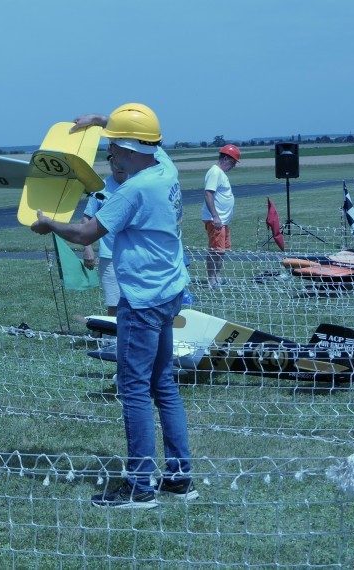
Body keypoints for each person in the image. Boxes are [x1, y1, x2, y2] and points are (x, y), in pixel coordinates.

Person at [31, 103, 196, 509]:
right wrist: (101, 120)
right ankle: (179, 478)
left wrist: (49, 223)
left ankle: (140, 487)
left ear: (129, 148)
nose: (111, 157)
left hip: (142, 301)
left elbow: (87, 230)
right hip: (170, 290)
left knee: (135, 391)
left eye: (113, 149)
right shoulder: (165, 166)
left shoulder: (135, 189)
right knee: (164, 385)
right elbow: (141, 134)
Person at [81, 155, 129, 316]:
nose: (119, 166)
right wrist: (88, 248)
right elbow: (87, 218)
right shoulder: (100, 189)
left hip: (136, 255)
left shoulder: (137, 186)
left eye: (123, 162)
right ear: (111, 164)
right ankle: (112, 338)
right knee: (114, 302)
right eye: (115, 162)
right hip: (110, 256)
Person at [201, 144, 240, 287]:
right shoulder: (215, 172)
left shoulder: (220, 173)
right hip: (216, 220)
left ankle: (217, 278)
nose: (234, 166)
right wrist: (215, 216)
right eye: (233, 162)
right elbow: (208, 194)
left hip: (222, 220)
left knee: (221, 251)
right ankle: (212, 280)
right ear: (225, 158)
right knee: (215, 250)